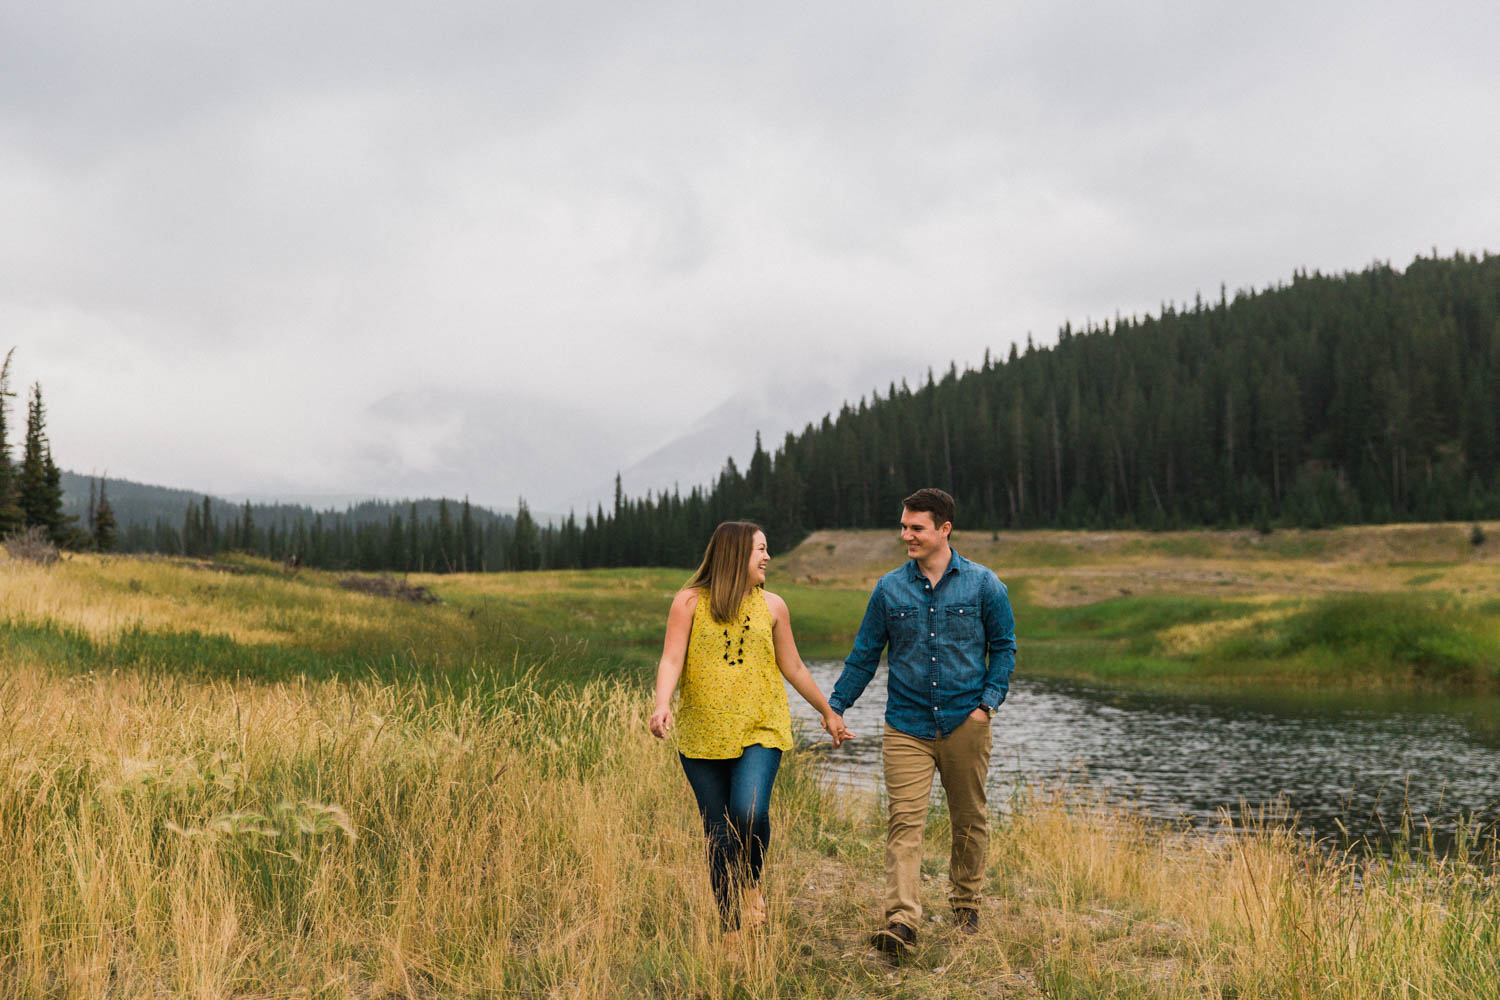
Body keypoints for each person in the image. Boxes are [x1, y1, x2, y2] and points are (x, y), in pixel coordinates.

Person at [822, 488, 1016, 954]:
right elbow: (865, 655)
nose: (905, 534)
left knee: (968, 819)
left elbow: (1004, 648)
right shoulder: (890, 588)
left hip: (965, 722)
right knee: (903, 824)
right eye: (904, 526)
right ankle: (902, 922)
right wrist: (836, 707)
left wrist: (985, 705)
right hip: (905, 724)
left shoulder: (984, 584)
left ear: (944, 529)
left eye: (916, 527)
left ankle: (965, 907)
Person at [649, 520, 853, 948]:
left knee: (748, 812)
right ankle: (730, 930)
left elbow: (793, 666)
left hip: (761, 728)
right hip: (702, 735)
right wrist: (662, 703)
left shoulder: (774, 606)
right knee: (718, 834)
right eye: (761, 549)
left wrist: (828, 712)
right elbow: (671, 660)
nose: (767, 557)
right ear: (735, 554)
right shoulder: (688, 603)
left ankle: (751, 883)